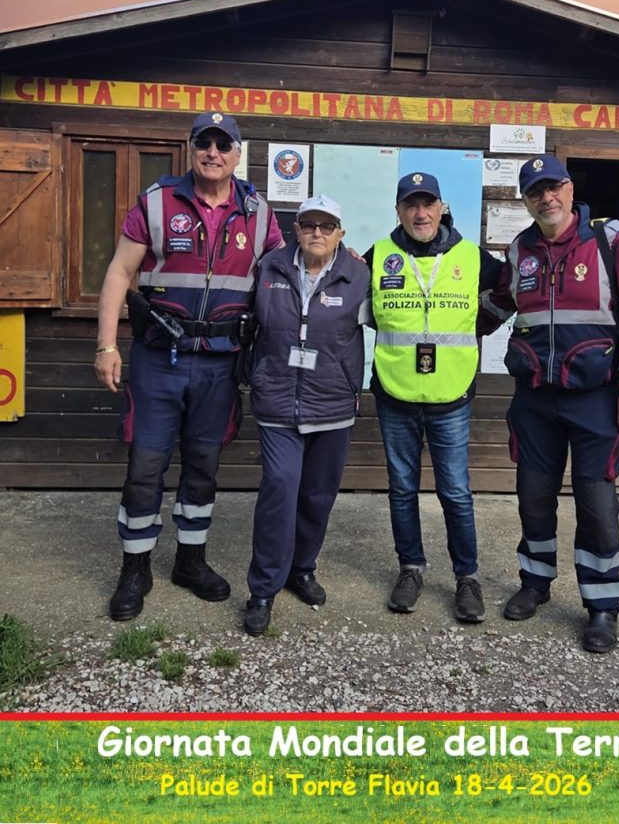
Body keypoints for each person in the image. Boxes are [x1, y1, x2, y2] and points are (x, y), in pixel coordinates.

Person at [95, 111, 283, 622]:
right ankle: (136, 569)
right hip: (160, 360)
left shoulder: (259, 213)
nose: (214, 152)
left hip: (220, 366)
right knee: (145, 467)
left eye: (225, 144)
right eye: (206, 142)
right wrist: (106, 345)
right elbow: (119, 271)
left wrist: (340, 260)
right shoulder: (157, 203)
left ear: (239, 154)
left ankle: (189, 561)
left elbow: (286, 274)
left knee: (203, 467)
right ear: (192, 148)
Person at [480, 154, 619, 653]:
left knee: (596, 507)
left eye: (553, 187)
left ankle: (602, 607)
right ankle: (535, 583)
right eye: (535, 192)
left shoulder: (611, 243)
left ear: (569, 187)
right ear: (525, 200)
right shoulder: (522, 249)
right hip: (535, 402)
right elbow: (499, 305)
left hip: (597, 401)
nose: (547, 198)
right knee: (533, 500)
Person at [365, 172, 504, 623]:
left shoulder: (471, 256)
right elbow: (349, 294)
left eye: (428, 205)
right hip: (395, 393)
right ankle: (411, 569)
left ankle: (467, 578)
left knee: (456, 493)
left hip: (451, 396)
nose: (420, 213)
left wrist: (483, 322)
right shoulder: (379, 254)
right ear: (399, 211)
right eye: (411, 205)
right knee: (402, 490)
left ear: (442, 208)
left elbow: (511, 291)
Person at [244, 195, 370, 636]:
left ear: (341, 232)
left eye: (327, 225)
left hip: (333, 403)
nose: (317, 232)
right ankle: (263, 588)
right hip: (278, 400)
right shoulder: (269, 268)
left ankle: (302, 568)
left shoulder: (360, 275)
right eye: (308, 224)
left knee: (318, 496)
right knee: (280, 487)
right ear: (295, 229)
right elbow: (246, 323)